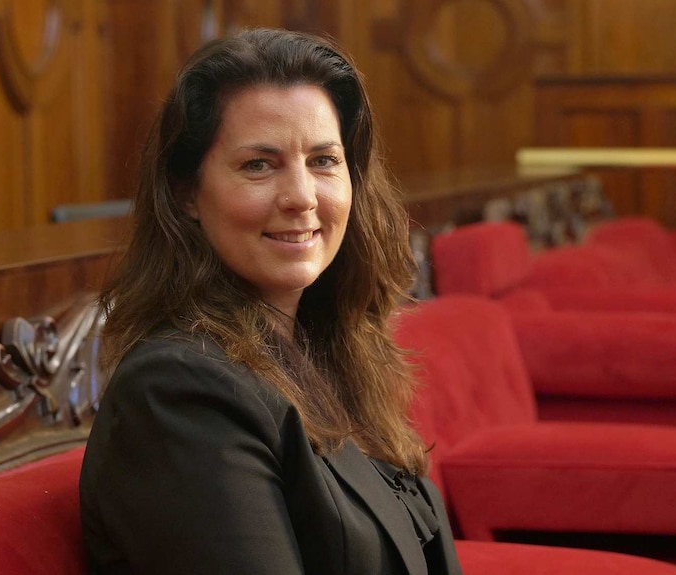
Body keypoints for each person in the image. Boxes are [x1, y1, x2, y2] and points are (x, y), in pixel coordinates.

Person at [79, 28, 463, 574]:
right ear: (187, 192)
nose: (302, 196)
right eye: (259, 164)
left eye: (324, 160)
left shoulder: (331, 348)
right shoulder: (177, 391)